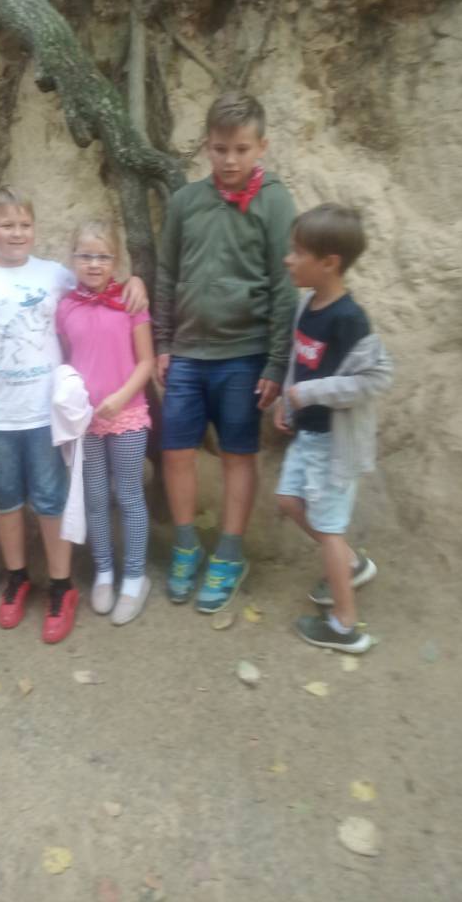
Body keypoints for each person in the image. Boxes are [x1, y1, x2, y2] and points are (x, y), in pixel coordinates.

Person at [0, 186, 147, 644]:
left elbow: (102, 278)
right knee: (6, 499)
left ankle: (61, 585)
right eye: (7, 225)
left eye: (25, 225)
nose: (17, 233)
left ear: (35, 228)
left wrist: (136, 281)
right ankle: (17, 578)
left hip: (45, 415)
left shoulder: (55, 275)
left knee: (52, 499)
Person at [153, 91, 297, 612]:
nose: (230, 160)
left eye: (241, 149)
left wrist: (276, 362)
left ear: (261, 146)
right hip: (187, 353)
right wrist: (163, 342)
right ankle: (186, 545)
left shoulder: (275, 202)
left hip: (244, 355)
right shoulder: (185, 202)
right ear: (206, 147)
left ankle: (230, 553)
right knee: (175, 451)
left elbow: (284, 286)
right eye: (219, 149)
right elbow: (166, 273)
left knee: (238, 453)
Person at [275, 203, 393, 653]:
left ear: (329, 262)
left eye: (297, 252)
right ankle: (351, 564)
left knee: (327, 528)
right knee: (289, 501)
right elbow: (299, 358)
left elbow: (373, 379)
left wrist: (309, 393)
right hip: (307, 434)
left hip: (334, 443)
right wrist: (287, 399)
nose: (288, 259)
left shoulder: (350, 319)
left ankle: (345, 626)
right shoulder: (307, 304)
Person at [57, 220, 154, 625]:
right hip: (86, 423)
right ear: (73, 259)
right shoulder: (65, 307)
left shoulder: (131, 303)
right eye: (85, 256)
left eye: (103, 256)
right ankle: (104, 571)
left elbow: (146, 361)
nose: (94, 264)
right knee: (94, 498)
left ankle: (134, 577)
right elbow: (67, 359)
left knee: (129, 495)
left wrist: (120, 397)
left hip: (128, 416)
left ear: (116, 261)